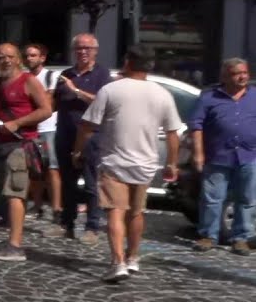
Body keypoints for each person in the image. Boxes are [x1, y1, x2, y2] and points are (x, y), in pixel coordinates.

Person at [73, 45, 181, 283]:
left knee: (115, 212)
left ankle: (118, 261)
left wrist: (78, 150)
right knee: (136, 213)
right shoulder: (162, 93)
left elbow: (87, 126)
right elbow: (173, 133)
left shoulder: (111, 90)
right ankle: (133, 258)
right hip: (145, 163)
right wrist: (172, 163)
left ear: (127, 62)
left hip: (114, 161)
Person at [0, 43, 53, 262]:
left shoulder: (28, 81)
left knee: (15, 193)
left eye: (10, 56)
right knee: (6, 192)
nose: (5, 60)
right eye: (0, 57)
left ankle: (15, 245)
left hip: (21, 145)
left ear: (18, 59)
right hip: (1, 145)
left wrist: (17, 123)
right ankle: (11, 240)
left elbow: (46, 110)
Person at [188, 58, 256, 254]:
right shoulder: (209, 98)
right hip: (218, 155)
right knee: (212, 198)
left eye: (245, 72)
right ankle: (208, 236)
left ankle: (241, 238)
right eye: (237, 73)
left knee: (247, 199)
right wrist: (198, 153)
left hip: (250, 155)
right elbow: (196, 126)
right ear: (225, 76)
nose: (243, 76)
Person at [47, 33, 109, 243]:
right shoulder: (65, 74)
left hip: (91, 137)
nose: (83, 52)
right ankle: (67, 223)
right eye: (79, 48)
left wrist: (77, 92)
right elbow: (54, 104)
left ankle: (92, 227)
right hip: (65, 134)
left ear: (95, 51)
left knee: (91, 183)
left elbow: (102, 103)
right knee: (68, 182)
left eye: (87, 48)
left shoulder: (102, 75)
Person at [24, 43, 61, 222]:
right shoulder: (23, 77)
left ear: (42, 58)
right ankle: (37, 206)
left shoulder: (50, 76)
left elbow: (47, 101)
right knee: (34, 170)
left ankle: (56, 208)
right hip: (31, 129)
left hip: (48, 128)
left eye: (33, 55)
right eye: (28, 55)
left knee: (52, 168)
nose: (29, 58)